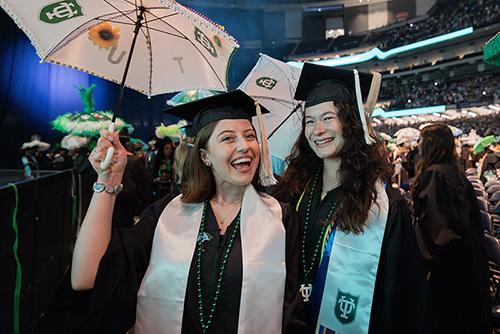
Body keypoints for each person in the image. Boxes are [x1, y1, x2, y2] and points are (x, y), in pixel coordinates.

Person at [36, 90, 300, 334]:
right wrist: (108, 179)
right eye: (228, 138)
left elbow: (291, 310)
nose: (244, 146)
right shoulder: (166, 216)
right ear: (205, 156)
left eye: (250, 136)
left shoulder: (281, 218)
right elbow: (86, 277)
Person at [274, 63, 428, 334]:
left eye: (328, 118)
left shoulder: (382, 205)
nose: (317, 130)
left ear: (350, 123)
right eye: (309, 121)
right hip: (292, 321)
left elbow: (401, 291)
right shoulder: (293, 192)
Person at [412, 124, 491, 334]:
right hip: (467, 267)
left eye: (420, 140)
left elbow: (440, 233)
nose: (417, 145)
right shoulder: (456, 175)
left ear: (430, 144)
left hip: (448, 275)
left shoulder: (434, 177)